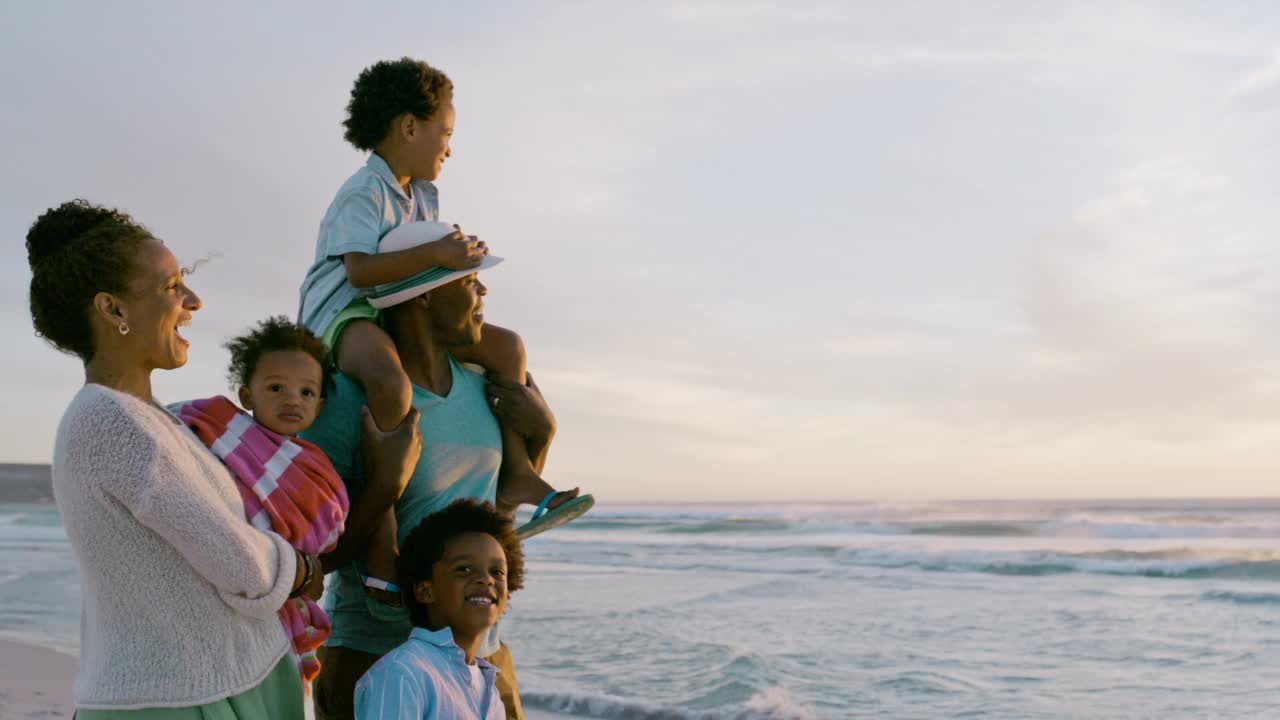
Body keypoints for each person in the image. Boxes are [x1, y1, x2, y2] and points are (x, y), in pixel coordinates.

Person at [296, 57, 578, 604]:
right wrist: (438, 253)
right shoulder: (365, 191)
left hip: (399, 305)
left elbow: (425, 265)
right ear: (407, 127)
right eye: (444, 133)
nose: (449, 148)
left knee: (506, 346)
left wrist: (455, 261)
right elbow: (359, 270)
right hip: (346, 313)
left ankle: (518, 472)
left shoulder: (423, 194)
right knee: (390, 381)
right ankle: (382, 538)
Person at [27, 200, 311, 718]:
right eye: (172, 287)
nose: (193, 300)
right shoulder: (110, 423)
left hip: (221, 683)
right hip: (179, 701)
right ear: (113, 310)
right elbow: (241, 564)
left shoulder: (155, 419)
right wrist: (304, 568)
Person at [301, 224, 556, 720]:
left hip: (481, 655)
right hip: (374, 655)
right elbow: (313, 558)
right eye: (469, 281)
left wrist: (542, 434)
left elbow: (497, 511)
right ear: (423, 296)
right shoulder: (347, 400)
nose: (482, 292)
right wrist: (387, 484)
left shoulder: (482, 385)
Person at [170, 316, 349, 688]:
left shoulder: (315, 469)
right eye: (276, 387)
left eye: (306, 392)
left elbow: (328, 527)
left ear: (319, 402)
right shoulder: (217, 429)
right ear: (247, 394)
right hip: (220, 587)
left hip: (278, 595)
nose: (291, 400)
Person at [354, 500, 522, 719]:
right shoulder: (403, 674)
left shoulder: (487, 689)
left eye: (497, 571)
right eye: (464, 569)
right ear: (425, 591)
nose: (485, 579)